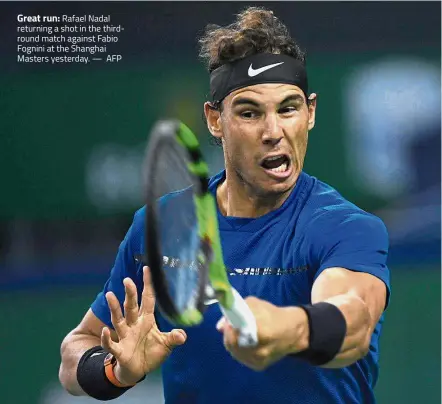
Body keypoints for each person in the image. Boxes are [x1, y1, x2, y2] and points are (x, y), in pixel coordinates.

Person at [59, 7, 390, 403]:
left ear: (310, 112)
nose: (273, 132)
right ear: (215, 120)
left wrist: (287, 326)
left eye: (288, 108)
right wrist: (113, 370)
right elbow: (75, 353)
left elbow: (354, 322)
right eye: (249, 112)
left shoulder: (345, 227)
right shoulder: (162, 226)